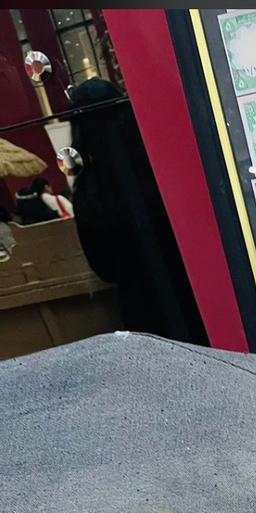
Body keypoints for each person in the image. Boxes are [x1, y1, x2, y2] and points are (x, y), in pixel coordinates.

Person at [69, 77, 205, 342]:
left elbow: (103, 268)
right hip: (195, 290)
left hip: (142, 308)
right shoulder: (164, 165)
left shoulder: (89, 188)